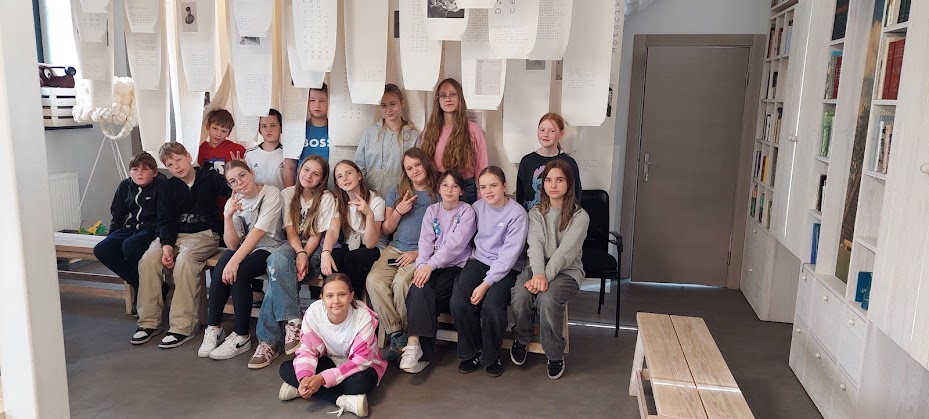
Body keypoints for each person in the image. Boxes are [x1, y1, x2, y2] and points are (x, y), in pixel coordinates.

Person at [132, 142, 231, 348]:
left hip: (204, 234)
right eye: (170, 164)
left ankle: (182, 326)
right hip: (174, 235)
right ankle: (148, 322)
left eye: (178, 160)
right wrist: (166, 245)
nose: (176, 166)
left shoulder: (210, 178)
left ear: (188, 157)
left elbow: (234, 191)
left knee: (185, 261)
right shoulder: (167, 187)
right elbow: (165, 219)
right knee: (149, 259)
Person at [248, 156, 337, 369]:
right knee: (277, 259)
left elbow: (316, 235)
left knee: (276, 275)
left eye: (316, 174)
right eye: (306, 170)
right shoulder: (288, 193)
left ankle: (268, 342)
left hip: (315, 251)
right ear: (299, 170)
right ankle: (294, 321)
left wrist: (305, 255)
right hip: (293, 246)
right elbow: (290, 231)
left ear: (322, 179)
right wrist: (299, 253)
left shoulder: (326, 198)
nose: (309, 176)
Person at [510, 160, 589, 379]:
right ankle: (521, 338)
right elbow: (534, 245)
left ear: (569, 183)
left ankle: (554, 353)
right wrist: (538, 274)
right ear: (542, 184)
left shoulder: (580, 216)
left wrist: (544, 277)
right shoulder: (535, 213)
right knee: (520, 294)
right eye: (549, 180)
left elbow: (565, 253)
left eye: (560, 180)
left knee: (548, 298)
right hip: (536, 269)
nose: (554, 185)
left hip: (567, 271)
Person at [198, 161, 284, 360]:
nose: (240, 183)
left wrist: (234, 262)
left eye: (242, 175)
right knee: (220, 269)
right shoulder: (235, 201)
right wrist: (228, 215)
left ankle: (241, 335)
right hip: (245, 248)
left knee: (240, 273)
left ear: (252, 173)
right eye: (233, 181)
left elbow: (258, 233)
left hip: (269, 247)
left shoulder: (271, 193)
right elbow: (232, 244)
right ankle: (214, 328)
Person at [450, 166, 528, 377]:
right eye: (483, 187)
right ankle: (472, 351)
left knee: (492, 306)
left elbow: (509, 255)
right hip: (479, 260)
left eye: (493, 185)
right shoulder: (476, 207)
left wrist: (486, 284)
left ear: (504, 186)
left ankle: (491, 355)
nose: (488, 191)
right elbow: (462, 236)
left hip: (507, 267)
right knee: (459, 302)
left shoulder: (517, 213)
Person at [365, 148, 439, 361]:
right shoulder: (397, 191)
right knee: (374, 280)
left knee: (401, 284)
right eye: (409, 168)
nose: (415, 170)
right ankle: (397, 334)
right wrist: (399, 210)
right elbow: (386, 229)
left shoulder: (438, 192)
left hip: (422, 253)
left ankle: (408, 333)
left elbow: (444, 234)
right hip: (395, 248)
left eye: (417, 165)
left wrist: (417, 253)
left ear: (426, 164)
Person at [277, 274, 386, 418]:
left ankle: (304, 389)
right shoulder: (313, 313)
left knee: (361, 382)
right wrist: (305, 379)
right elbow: (307, 351)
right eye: (329, 296)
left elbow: (361, 361)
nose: (336, 301)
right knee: (286, 369)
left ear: (351, 296)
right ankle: (341, 399)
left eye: (342, 295)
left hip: (357, 367)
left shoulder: (363, 318)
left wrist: (321, 379)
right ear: (322, 298)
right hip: (329, 361)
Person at [401, 170, 476, 374]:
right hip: (432, 265)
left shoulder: (467, 212)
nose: (449, 190)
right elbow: (425, 242)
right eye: (445, 185)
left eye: (454, 186)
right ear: (438, 188)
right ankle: (414, 345)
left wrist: (429, 266)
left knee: (426, 295)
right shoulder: (432, 211)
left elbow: (454, 246)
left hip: (456, 265)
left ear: (461, 191)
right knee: (418, 287)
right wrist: (421, 267)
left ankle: (421, 352)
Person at [93, 152, 166, 313]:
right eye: (135, 169)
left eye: (145, 169)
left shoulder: (162, 186)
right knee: (102, 249)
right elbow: (118, 214)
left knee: (130, 245)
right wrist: (112, 237)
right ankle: (141, 283)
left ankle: (143, 290)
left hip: (153, 228)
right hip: (132, 228)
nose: (139, 173)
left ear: (154, 172)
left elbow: (165, 216)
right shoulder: (125, 186)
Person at [419, 78, 488, 204]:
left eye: (452, 94)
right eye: (443, 95)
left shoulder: (473, 130)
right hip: (438, 187)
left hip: (465, 189)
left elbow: (481, 167)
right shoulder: (430, 130)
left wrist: (481, 200)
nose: (448, 99)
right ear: (438, 100)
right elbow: (424, 164)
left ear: (460, 98)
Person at [323, 160, 386, 298]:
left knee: (353, 258)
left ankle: (353, 299)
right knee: (335, 256)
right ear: (337, 183)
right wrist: (325, 252)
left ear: (359, 175)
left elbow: (370, 244)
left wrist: (369, 214)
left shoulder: (376, 201)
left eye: (348, 173)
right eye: (340, 176)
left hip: (374, 247)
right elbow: (333, 230)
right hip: (352, 244)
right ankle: (334, 299)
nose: (345, 178)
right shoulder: (340, 202)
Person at [354, 84, 421, 197]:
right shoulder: (369, 133)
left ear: (402, 103)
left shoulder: (413, 136)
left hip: (399, 198)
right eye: (384, 105)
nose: (389, 110)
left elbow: (417, 171)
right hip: (370, 197)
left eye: (393, 104)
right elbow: (359, 167)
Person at [516, 112, 582, 210]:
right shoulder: (527, 161)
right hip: (530, 216)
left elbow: (575, 194)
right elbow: (520, 194)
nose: (545, 135)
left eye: (551, 131)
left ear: (561, 134)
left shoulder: (569, 162)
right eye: (542, 130)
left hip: (560, 216)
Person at [285, 84, 329, 186]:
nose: (317, 105)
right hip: (302, 188)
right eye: (312, 100)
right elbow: (289, 167)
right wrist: (290, 192)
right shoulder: (297, 130)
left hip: (329, 188)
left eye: (322, 101)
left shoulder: (336, 130)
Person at [245, 109, 285, 190]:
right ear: (259, 130)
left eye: (273, 125)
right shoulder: (250, 154)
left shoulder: (287, 154)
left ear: (281, 128)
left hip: (280, 197)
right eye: (264, 126)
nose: (268, 130)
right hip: (257, 197)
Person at [198, 109, 245, 175]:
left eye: (223, 131)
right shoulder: (199, 150)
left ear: (229, 133)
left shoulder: (237, 150)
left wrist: (243, 167)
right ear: (207, 127)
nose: (218, 134)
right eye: (215, 128)